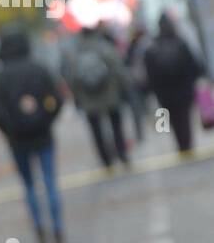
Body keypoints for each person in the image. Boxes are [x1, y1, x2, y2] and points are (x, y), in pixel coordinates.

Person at [0, 28, 66, 243]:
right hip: (43, 135)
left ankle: (40, 230)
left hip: (18, 141)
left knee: (30, 187)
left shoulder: (0, 77)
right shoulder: (39, 70)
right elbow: (58, 99)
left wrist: (11, 128)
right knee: (50, 183)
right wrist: (45, 119)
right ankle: (58, 229)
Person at [65, 24, 130, 169]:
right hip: (110, 94)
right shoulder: (105, 47)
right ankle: (122, 154)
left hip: (88, 99)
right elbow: (118, 68)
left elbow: (72, 77)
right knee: (116, 126)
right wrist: (123, 87)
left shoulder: (75, 52)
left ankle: (106, 160)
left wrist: (77, 96)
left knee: (96, 131)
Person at [143, 13, 207, 154]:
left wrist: (154, 90)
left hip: (164, 94)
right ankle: (187, 145)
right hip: (184, 91)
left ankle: (180, 144)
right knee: (184, 118)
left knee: (171, 120)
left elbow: (149, 73)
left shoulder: (152, 47)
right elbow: (194, 66)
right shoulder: (180, 43)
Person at [122, 24, 152, 145]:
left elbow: (126, 64)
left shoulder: (131, 47)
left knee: (137, 112)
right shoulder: (148, 45)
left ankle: (141, 135)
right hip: (146, 82)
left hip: (135, 83)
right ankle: (161, 129)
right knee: (155, 107)